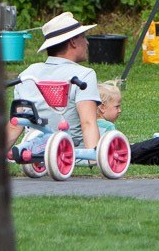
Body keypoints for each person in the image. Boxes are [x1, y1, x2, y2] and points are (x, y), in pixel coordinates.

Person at [10, 12, 106, 151]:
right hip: (71, 150)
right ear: (73, 41)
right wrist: (95, 160)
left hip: (36, 148)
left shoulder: (28, 73)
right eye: (83, 37)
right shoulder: (84, 75)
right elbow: (88, 123)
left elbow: (16, 124)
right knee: (107, 129)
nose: (87, 42)